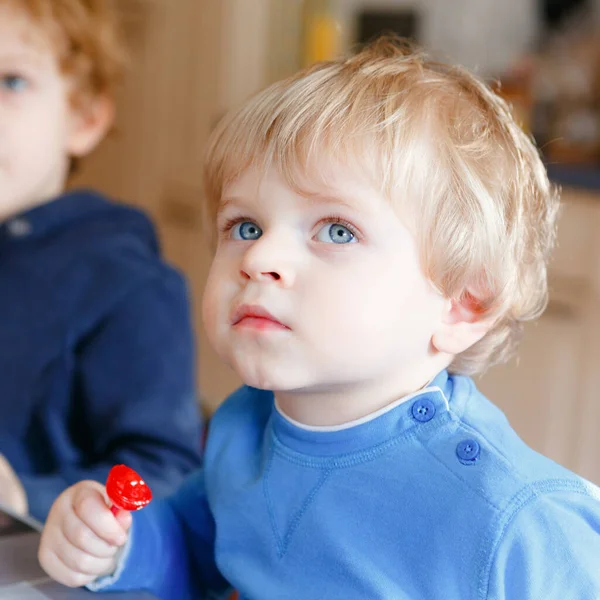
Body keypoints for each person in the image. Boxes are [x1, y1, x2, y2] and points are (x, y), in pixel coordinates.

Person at [39, 37, 600, 599]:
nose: (259, 259)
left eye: (337, 230)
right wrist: (114, 545)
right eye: (246, 227)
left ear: (462, 304)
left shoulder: (516, 524)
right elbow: (196, 545)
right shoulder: (246, 429)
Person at [0, 0, 203, 522]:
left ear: (85, 118)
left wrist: (24, 495)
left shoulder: (127, 283)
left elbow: (165, 474)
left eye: (12, 82)